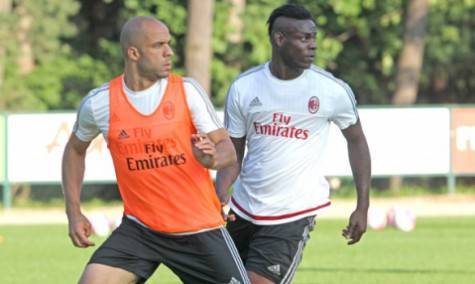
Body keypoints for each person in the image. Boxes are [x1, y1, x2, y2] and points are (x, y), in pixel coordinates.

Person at [62, 16, 250, 284]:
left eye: (169, 44)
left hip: (199, 228)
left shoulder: (187, 91)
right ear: (134, 53)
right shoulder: (99, 103)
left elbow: (227, 150)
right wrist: (74, 211)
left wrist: (211, 158)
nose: (169, 52)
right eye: (159, 45)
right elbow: (74, 150)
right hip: (140, 230)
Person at [216, 4, 371, 284]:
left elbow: (357, 142)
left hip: (291, 214)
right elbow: (233, 152)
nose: (312, 46)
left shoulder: (332, 90)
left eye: (313, 38)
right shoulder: (244, 87)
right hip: (243, 210)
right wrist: (218, 192)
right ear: (279, 39)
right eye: (304, 38)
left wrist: (363, 206)